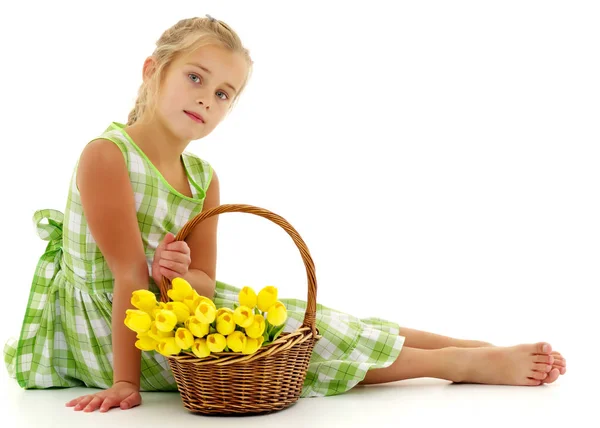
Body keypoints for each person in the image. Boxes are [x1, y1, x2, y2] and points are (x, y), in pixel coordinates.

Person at [3, 15, 567, 414]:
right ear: (153, 70)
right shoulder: (108, 155)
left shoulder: (204, 178)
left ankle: (477, 347)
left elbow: (200, 279)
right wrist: (126, 381)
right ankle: (457, 368)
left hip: (167, 312)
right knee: (292, 345)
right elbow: (126, 276)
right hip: (109, 330)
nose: (207, 98)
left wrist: (177, 274)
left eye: (225, 93)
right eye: (195, 77)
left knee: (312, 317)